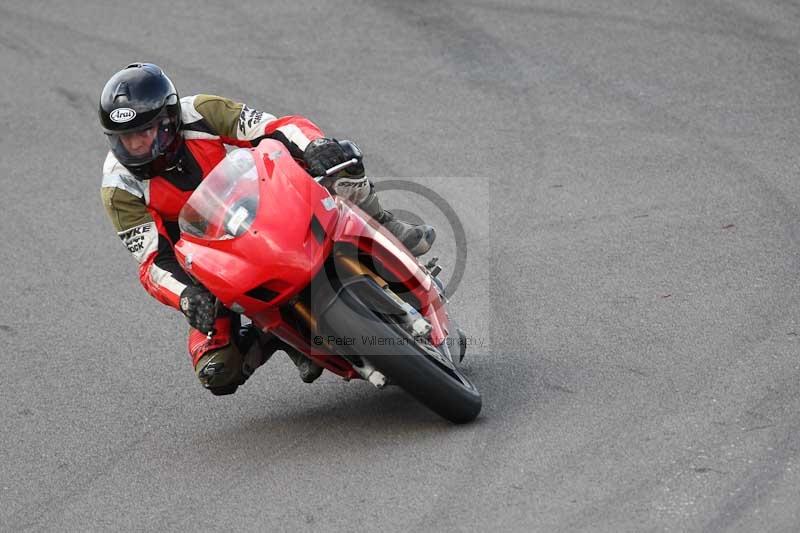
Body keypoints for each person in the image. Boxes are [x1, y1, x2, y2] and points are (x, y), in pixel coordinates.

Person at [99, 63, 436, 395]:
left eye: (145, 132)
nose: (138, 146)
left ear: (169, 121)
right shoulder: (119, 188)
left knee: (340, 157)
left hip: (259, 202)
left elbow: (273, 127)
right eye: (127, 138)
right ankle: (275, 336)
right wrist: (186, 296)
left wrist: (314, 146)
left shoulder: (200, 111)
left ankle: (383, 223)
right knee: (217, 370)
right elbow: (151, 261)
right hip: (209, 258)